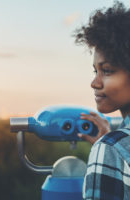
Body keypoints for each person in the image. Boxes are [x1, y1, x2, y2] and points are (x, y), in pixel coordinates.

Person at [73, 1, 130, 199]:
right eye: (95, 71)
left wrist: (109, 146)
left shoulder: (111, 148)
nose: (94, 83)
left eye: (107, 71)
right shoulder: (113, 146)